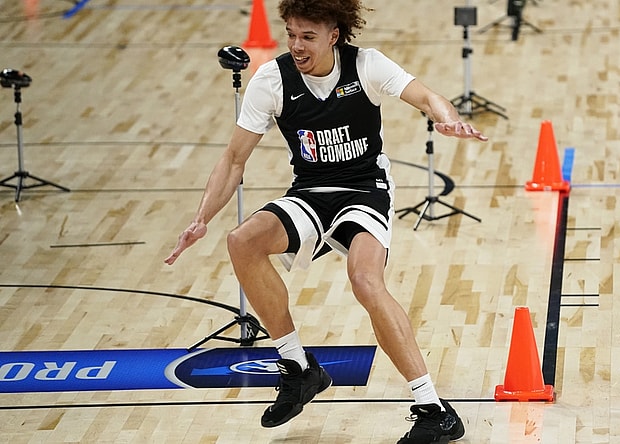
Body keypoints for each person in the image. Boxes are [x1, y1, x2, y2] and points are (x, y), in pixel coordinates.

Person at [164, 0, 487, 441]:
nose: (296, 45)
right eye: (291, 34)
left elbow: (427, 96)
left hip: (365, 189)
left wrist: (447, 119)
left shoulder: (367, 66)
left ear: (334, 35)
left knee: (365, 282)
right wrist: (201, 218)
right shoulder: (272, 79)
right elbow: (234, 158)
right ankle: (298, 366)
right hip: (311, 192)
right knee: (242, 241)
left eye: (307, 36)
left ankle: (433, 408)